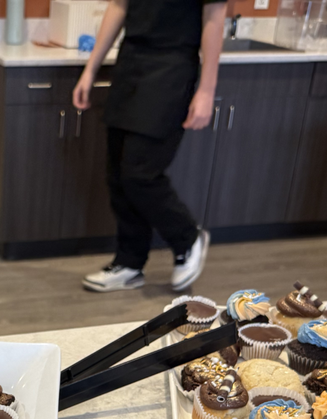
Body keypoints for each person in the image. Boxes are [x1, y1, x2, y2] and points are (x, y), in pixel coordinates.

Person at [74, 0, 226, 292]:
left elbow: (214, 20)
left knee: (140, 172)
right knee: (117, 173)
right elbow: (119, 6)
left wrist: (207, 90)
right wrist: (90, 70)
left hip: (171, 66)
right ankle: (130, 263)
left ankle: (186, 237)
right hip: (130, 62)